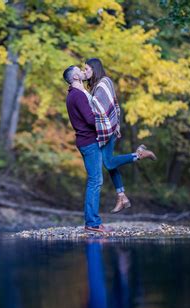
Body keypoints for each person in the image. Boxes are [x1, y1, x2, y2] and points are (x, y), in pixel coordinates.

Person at [83, 58, 157, 213]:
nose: (85, 72)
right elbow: (113, 104)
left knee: (109, 163)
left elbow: (100, 106)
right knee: (110, 163)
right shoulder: (99, 84)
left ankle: (139, 155)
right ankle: (122, 196)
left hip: (107, 128)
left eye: (87, 69)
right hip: (109, 127)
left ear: (94, 69)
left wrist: (82, 90)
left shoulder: (103, 83)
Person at [64, 65, 110, 233]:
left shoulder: (77, 94)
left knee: (95, 180)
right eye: (80, 70)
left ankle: (93, 221)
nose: (83, 72)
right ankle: (92, 222)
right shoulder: (77, 96)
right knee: (95, 181)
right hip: (89, 141)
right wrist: (107, 120)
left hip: (87, 140)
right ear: (75, 77)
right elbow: (91, 120)